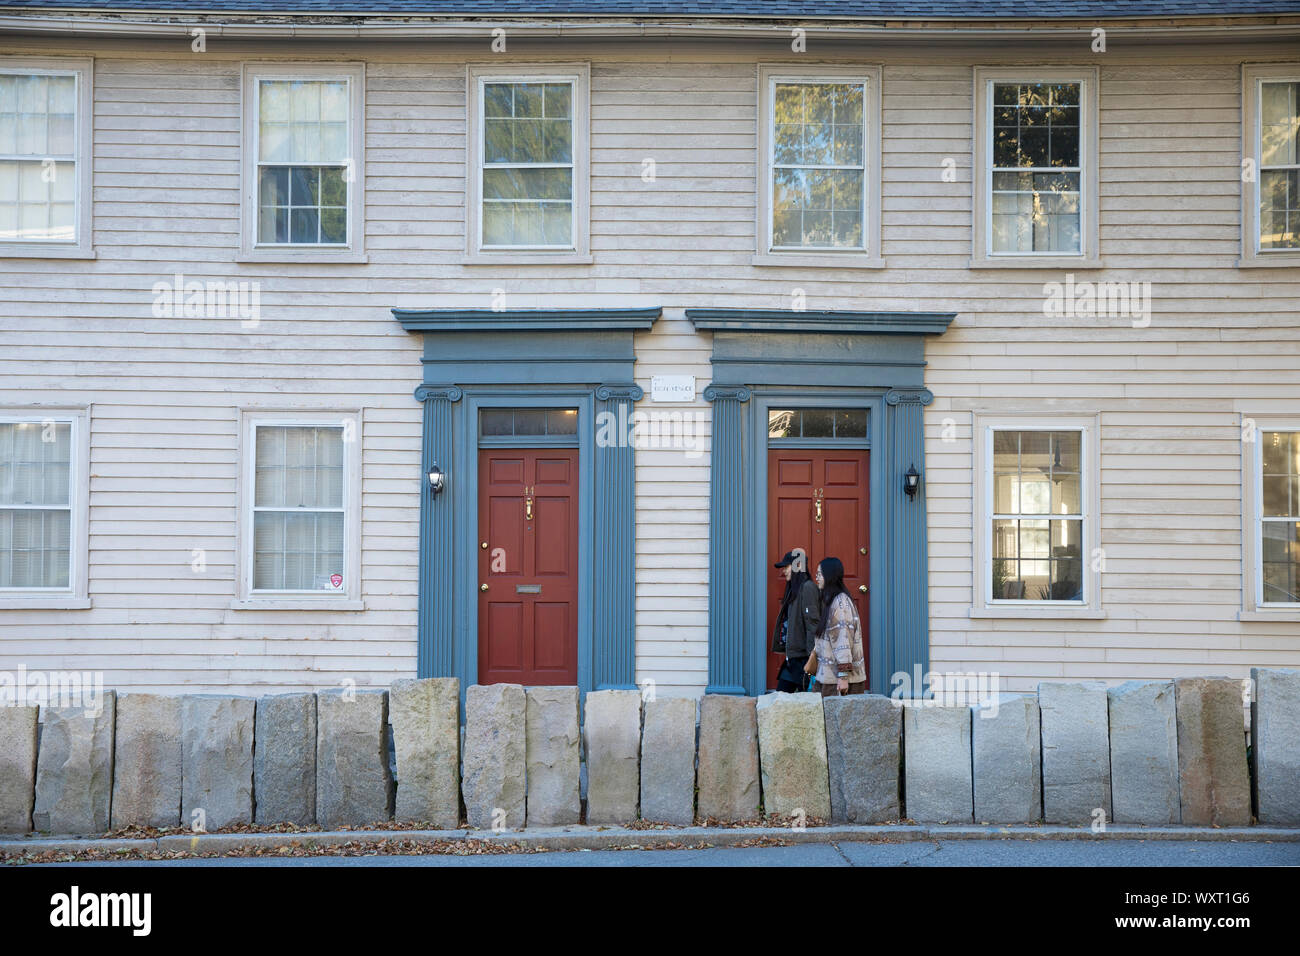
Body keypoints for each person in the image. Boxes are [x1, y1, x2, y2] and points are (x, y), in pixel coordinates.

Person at [810, 556, 867, 697]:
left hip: (838, 683)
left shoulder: (840, 604)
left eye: (820, 574)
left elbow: (843, 642)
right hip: (829, 678)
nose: (816, 578)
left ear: (829, 576)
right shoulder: (833, 601)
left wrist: (843, 678)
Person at [771, 548, 818, 692]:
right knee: (781, 698)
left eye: (786, 566)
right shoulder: (793, 590)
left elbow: (813, 624)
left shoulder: (808, 588)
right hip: (792, 659)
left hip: (804, 659)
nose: (784, 570)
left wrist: (812, 658)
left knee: (807, 703)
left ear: (798, 566)